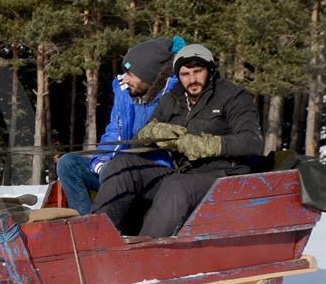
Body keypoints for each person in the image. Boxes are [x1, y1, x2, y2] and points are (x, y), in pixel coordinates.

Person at [90, 43, 264, 238]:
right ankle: (94, 239)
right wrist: (154, 132)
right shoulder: (173, 99)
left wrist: (207, 145)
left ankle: (145, 254)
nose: (192, 80)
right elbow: (141, 139)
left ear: (210, 71)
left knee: (176, 185)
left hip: (222, 177)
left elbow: (252, 141)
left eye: (198, 72)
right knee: (123, 165)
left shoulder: (233, 97)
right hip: (181, 173)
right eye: (185, 74)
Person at [56, 36, 185, 214]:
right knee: (68, 164)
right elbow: (114, 130)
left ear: (149, 75)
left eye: (130, 74)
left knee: (114, 170)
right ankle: (85, 222)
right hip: (116, 168)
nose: (124, 79)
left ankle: (109, 227)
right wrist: (100, 161)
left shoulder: (172, 98)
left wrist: (110, 167)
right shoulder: (125, 93)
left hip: (152, 173)